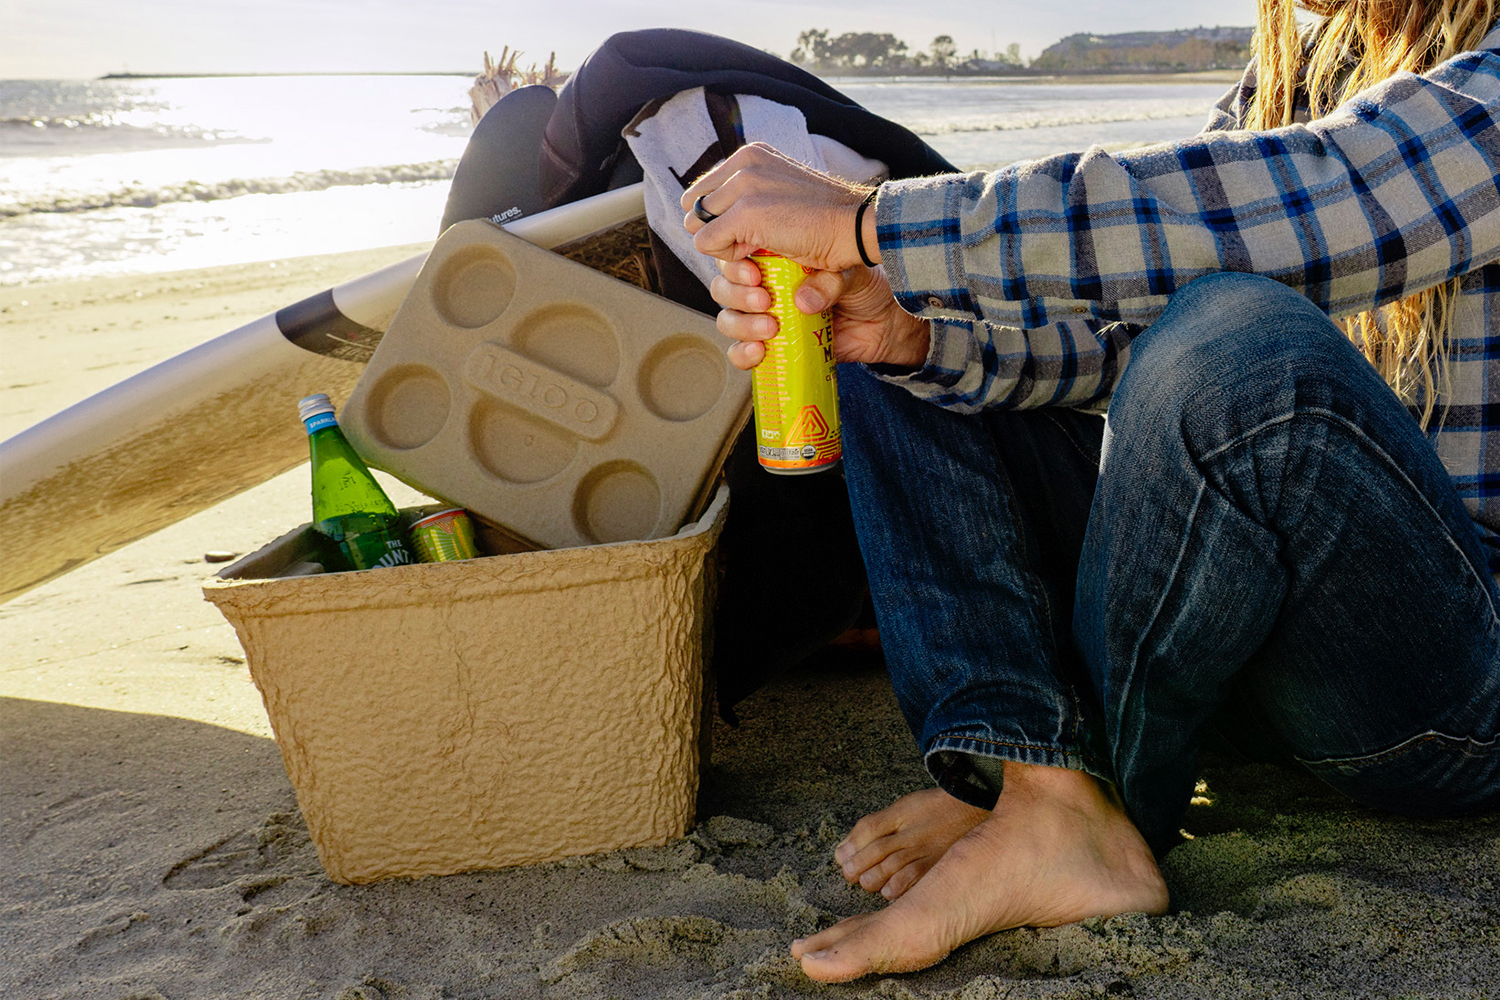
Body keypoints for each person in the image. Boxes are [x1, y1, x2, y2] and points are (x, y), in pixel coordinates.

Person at [679, 0, 1500, 984]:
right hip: (1265, 657)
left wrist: (874, 219)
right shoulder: (1302, 58)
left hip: (1447, 684)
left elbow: (1316, 202)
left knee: (1234, 337)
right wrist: (911, 329)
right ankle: (1036, 776)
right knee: (883, 317)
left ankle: (1075, 804)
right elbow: (1131, 334)